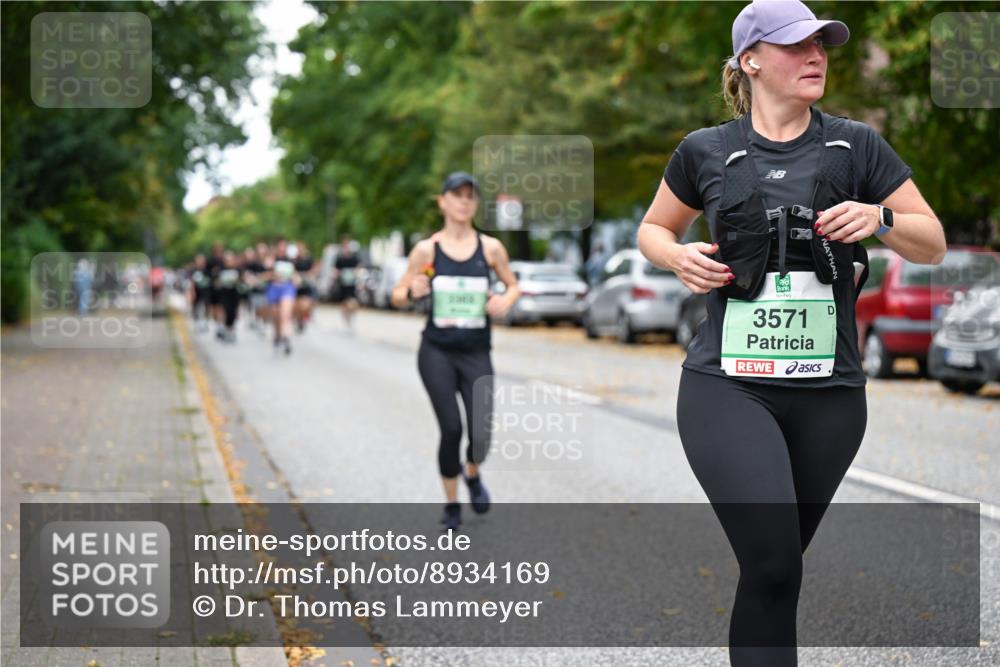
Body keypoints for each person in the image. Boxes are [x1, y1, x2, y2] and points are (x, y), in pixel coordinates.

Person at [636, 2, 946, 665]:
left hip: (830, 395)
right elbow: (654, 228)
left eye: (821, 44)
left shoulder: (856, 145)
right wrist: (674, 256)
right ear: (750, 61)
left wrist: (881, 216)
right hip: (728, 388)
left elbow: (933, 242)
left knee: (773, 572)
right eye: (796, 45)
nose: (817, 55)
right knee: (775, 563)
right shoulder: (706, 150)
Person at [392, 172, 520, 530]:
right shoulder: (426, 250)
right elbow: (397, 294)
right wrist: (413, 291)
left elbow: (512, 285)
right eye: (457, 195)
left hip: (476, 351)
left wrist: (505, 300)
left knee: (481, 432)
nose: (464, 201)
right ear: (443, 201)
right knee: (451, 428)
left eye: (470, 196)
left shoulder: (491, 248)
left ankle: (472, 472)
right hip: (436, 351)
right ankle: (451, 503)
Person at [334, 234, 362, 330]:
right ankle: (346, 316)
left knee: (353, 303)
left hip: (352, 284)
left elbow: (359, 267)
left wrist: (356, 273)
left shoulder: (354, 257)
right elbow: (335, 270)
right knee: (345, 303)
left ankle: (350, 315)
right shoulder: (339, 258)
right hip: (343, 284)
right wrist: (339, 274)